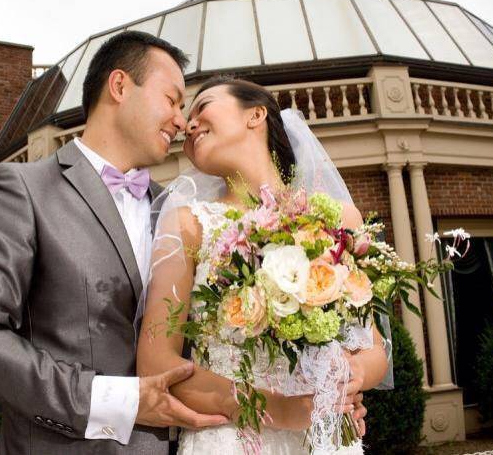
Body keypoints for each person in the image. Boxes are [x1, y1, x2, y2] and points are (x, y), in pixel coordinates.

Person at [0, 31, 231, 454]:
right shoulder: (21, 189)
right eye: (172, 100)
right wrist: (115, 401)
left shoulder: (178, 211)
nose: (182, 121)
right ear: (119, 86)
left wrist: (310, 399)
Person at [137, 77, 389, 454]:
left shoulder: (337, 219)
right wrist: (277, 409)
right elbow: (157, 366)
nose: (187, 126)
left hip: (324, 436)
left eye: (202, 106)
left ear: (256, 114)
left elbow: (374, 349)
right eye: (186, 120)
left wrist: (348, 379)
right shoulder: (186, 224)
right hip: (230, 440)